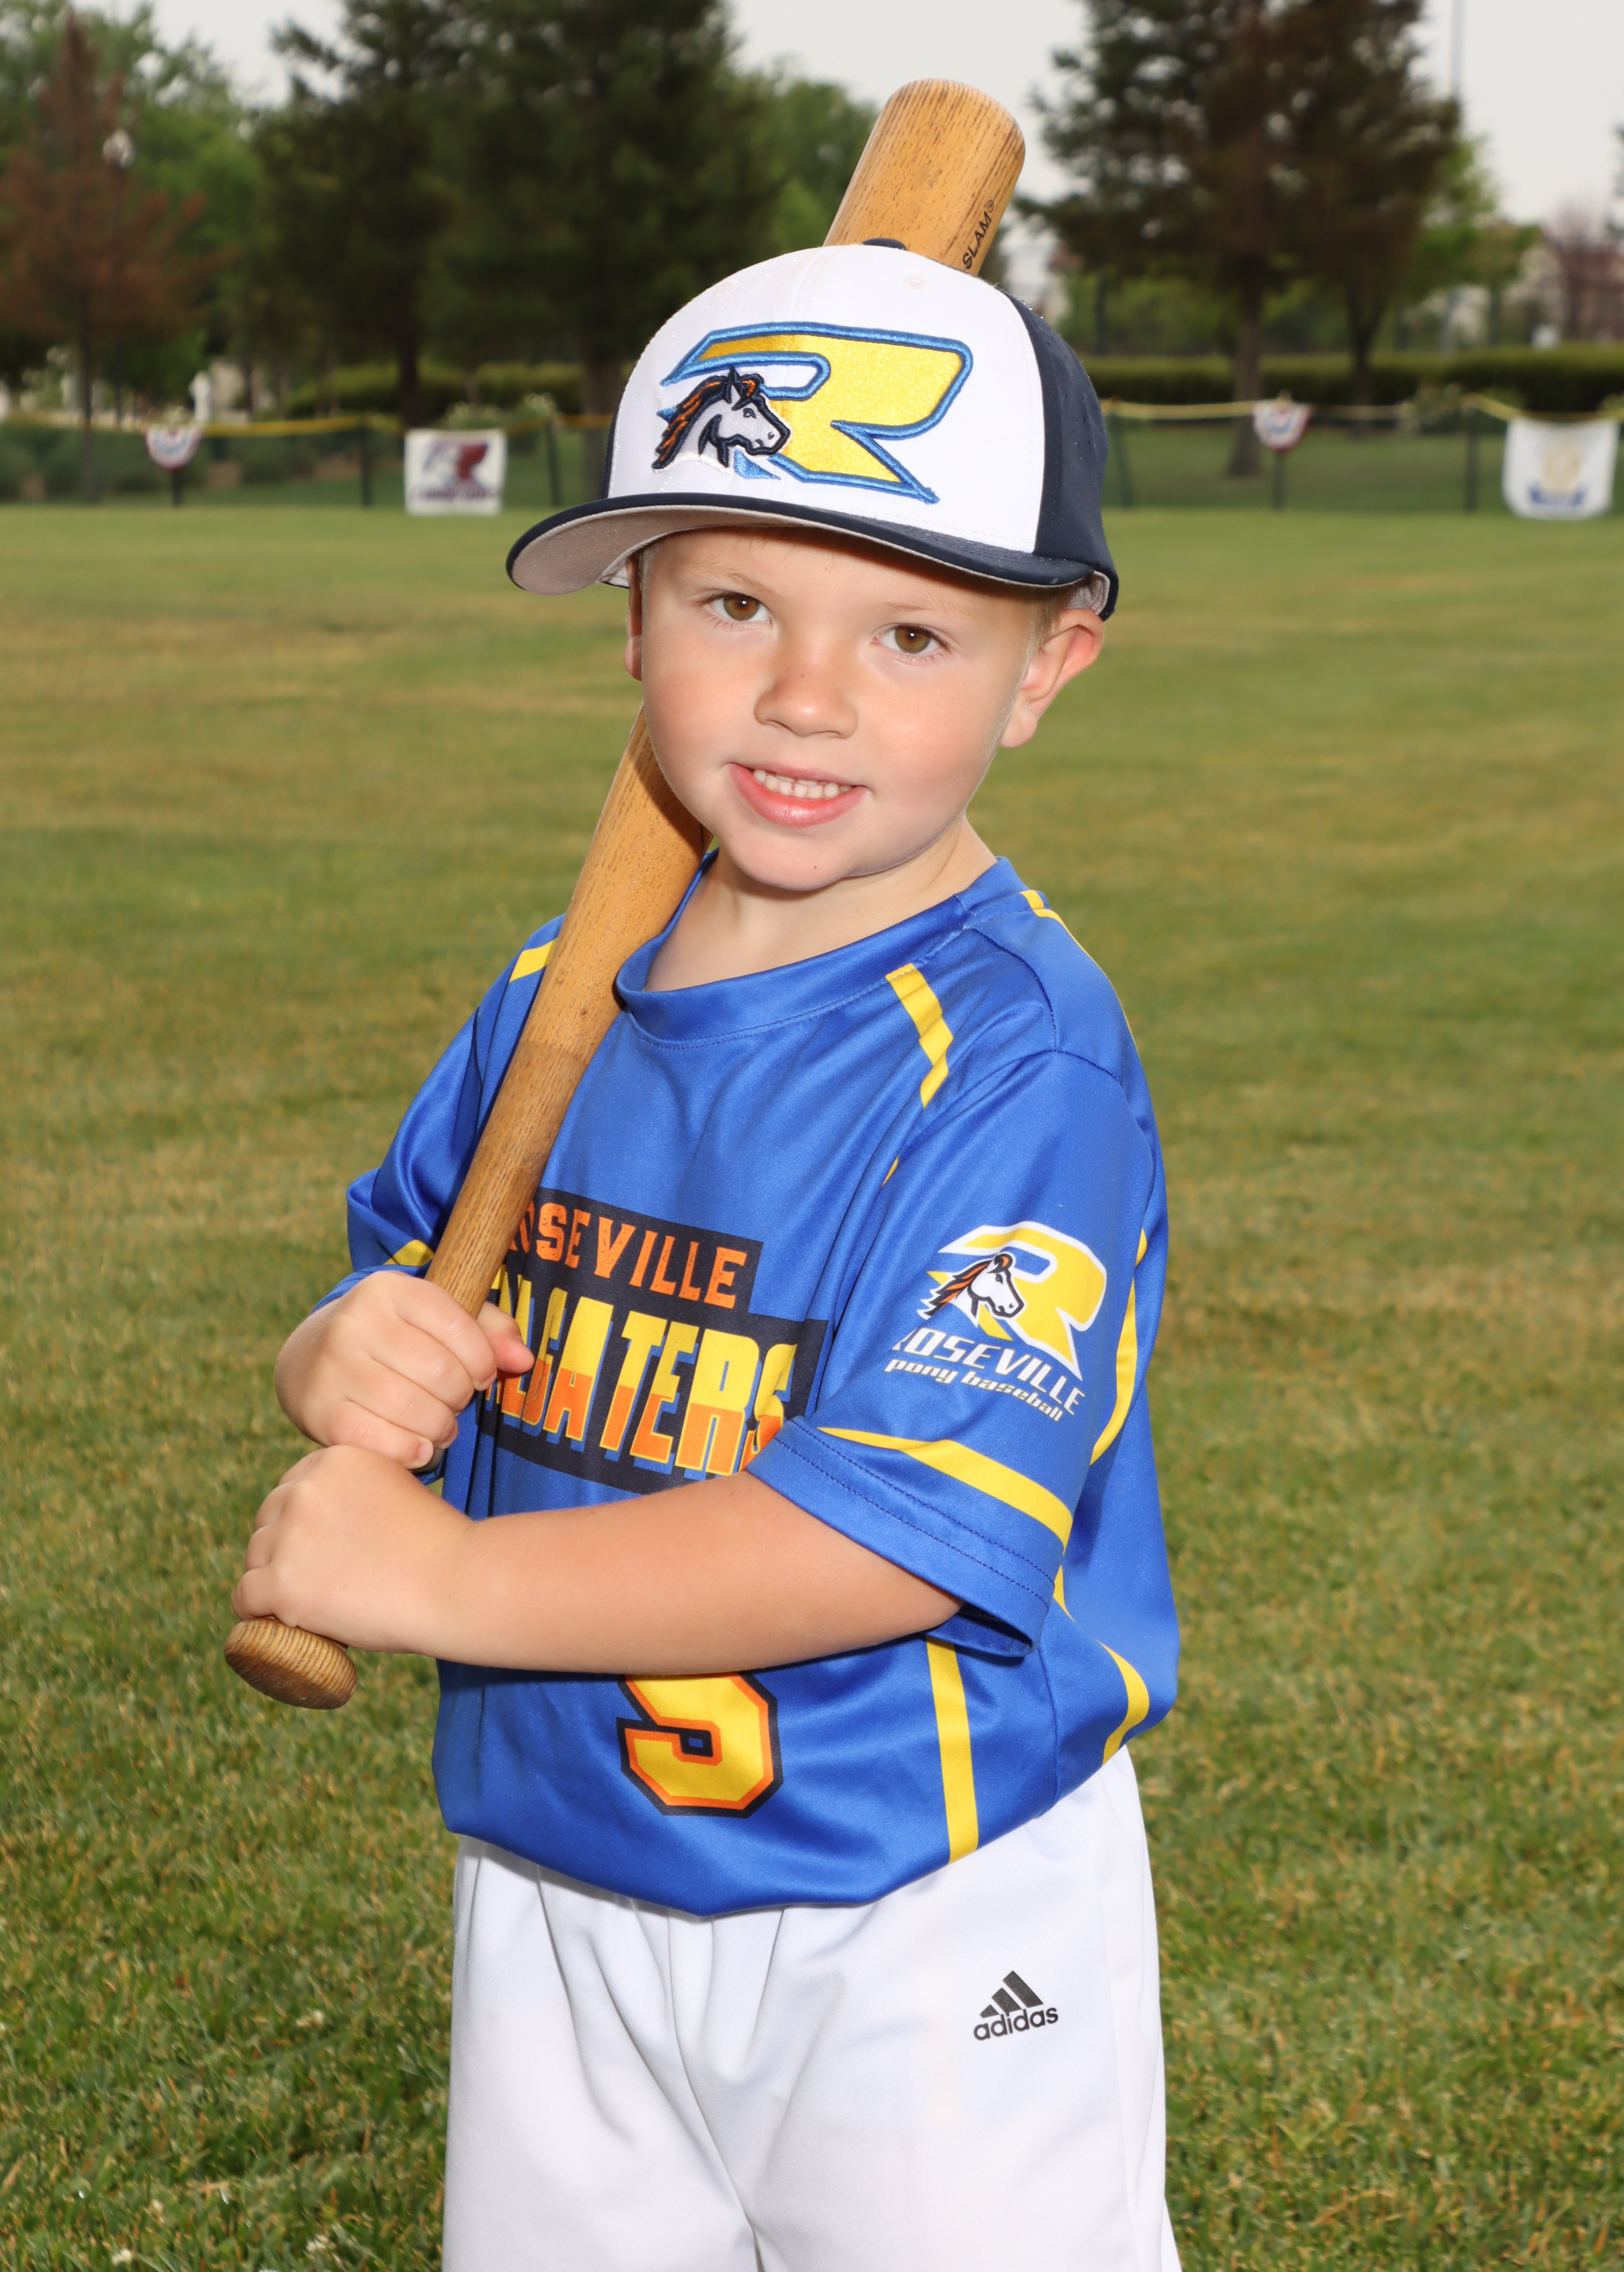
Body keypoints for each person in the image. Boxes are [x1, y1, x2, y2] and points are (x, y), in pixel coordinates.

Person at [234, 242, 1180, 2272]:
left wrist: (447, 1579)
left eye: (909, 631)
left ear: (1045, 667)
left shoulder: (1017, 1063)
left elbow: (890, 1534)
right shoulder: (555, 996)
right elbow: (408, 1281)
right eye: (735, 602)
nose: (805, 695)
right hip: (556, 1862)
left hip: (910, 1904)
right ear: (633, 610)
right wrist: (340, 1352)